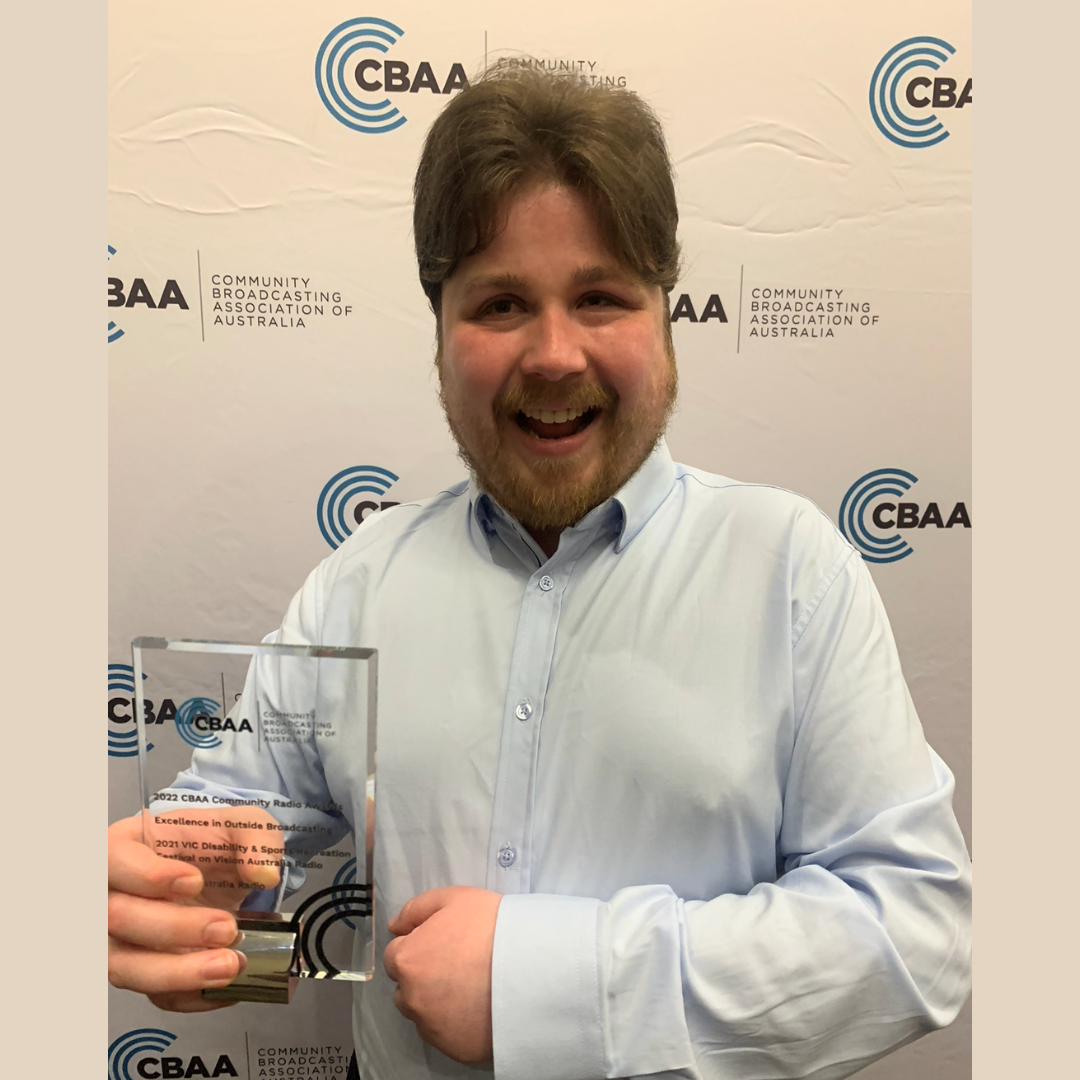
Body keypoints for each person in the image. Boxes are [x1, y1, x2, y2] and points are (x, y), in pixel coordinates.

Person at [108, 66, 972, 1080]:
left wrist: (541, 983)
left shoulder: (792, 573)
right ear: (438, 334)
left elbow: (913, 936)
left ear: (665, 317)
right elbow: (244, 831)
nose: (555, 354)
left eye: (602, 297)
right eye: (502, 303)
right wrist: (183, 896)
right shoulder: (357, 586)